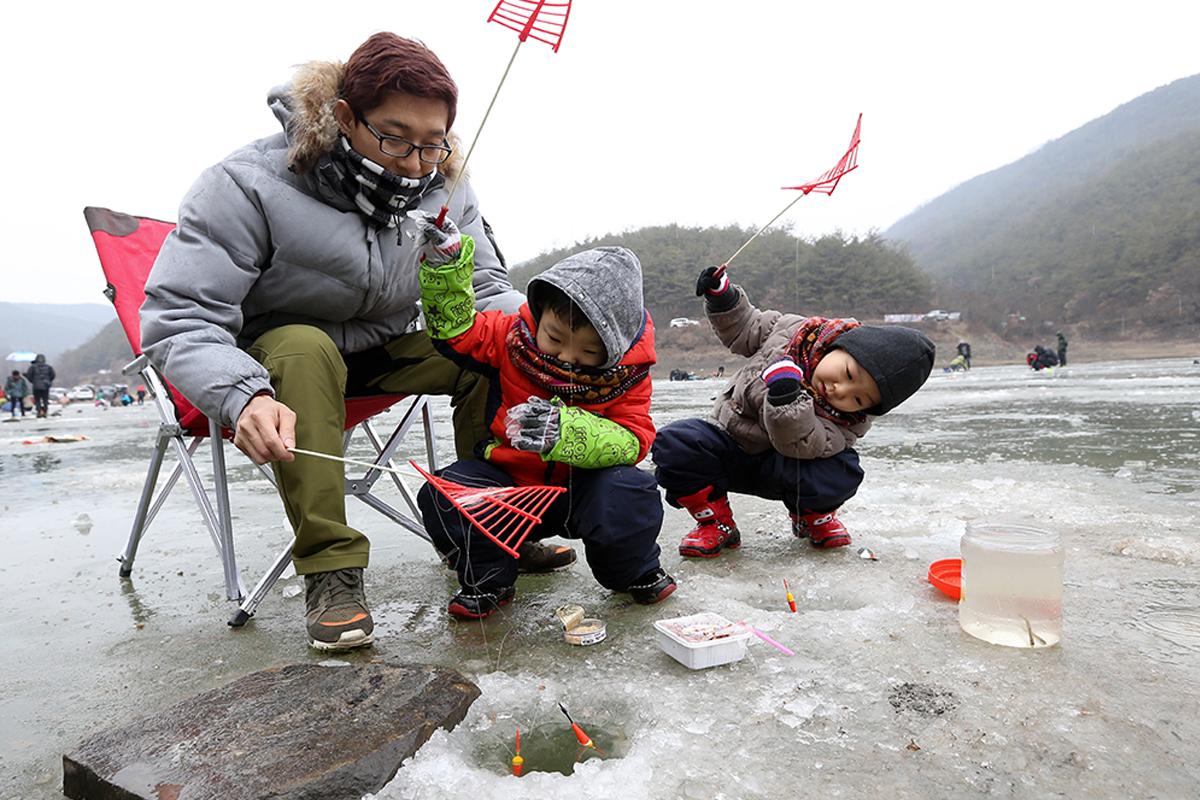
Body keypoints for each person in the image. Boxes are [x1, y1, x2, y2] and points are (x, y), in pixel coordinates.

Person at [139, 33, 572, 651]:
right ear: (343, 116)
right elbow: (180, 315)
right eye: (395, 138)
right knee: (302, 346)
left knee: (499, 348)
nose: (416, 162)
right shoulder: (246, 184)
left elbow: (483, 290)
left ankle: (491, 527)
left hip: (386, 351)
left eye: (433, 142)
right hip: (276, 363)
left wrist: (548, 335)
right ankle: (331, 570)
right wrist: (240, 394)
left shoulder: (443, 185)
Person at [412, 227, 675, 619]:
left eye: (589, 351)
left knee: (630, 488)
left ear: (615, 346)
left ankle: (631, 572)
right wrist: (446, 267)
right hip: (510, 487)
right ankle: (488, 580)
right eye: (554, 338)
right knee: (445, 495)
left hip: (584, 490)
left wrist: (564, 433)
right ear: (539, 316)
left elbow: (633, 439)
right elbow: (456, 330)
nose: (568, 357)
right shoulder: (509, 337)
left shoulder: (628, 375)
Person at [652, 265, 935, 556]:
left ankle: (810, 517)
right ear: (840, 346)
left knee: (842, 470)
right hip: (730, 446)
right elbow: (745, 327)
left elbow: (800, 445)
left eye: (859, 399)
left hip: (786, 467)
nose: (841, 391)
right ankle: (716, 522)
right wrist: (723, 297)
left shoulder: (849, 423)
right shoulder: (790, 331)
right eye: (848, 374)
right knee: (677, 443)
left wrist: (786, 399)